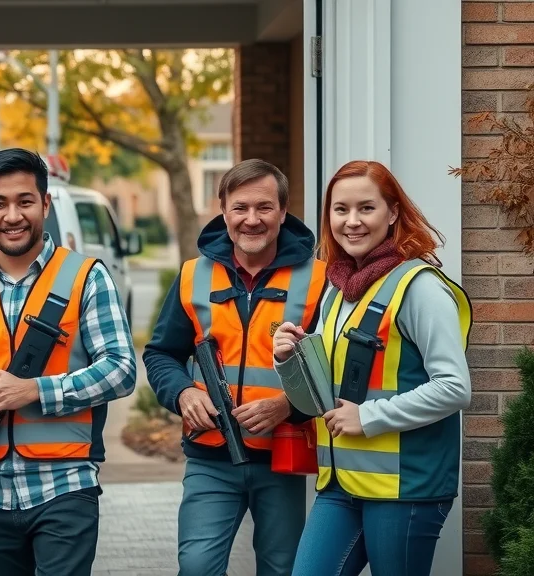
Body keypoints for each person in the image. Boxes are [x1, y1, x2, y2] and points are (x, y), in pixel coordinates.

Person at [0, 148, 137, 576]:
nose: (12, 215)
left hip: (65, 485)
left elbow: (122, 369)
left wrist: (35, 390)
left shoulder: (87, 276)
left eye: (25, 201)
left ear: (45, 204)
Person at [272, 160, 472, 576]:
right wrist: (290, 360)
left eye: (366, 208)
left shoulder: (420, 287)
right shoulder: (337, 288)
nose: (352, 221)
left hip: (406, 487)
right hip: (341, 483)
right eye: (340, 209)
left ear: (393, 213)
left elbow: (454, 387)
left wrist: (368, 416)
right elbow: (323, 396)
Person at [143, 159, 327, 576]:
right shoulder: (193, 276)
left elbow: (331, 369)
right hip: (210, 456)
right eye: (240, 208)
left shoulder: (319, 279)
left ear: (283, 211)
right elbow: (160, 354)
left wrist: (287, 406)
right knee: (196, 566)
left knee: (281, 568)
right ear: (223, 209)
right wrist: (183, 393)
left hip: (282, 454)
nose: (251, 219)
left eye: (264, 208)